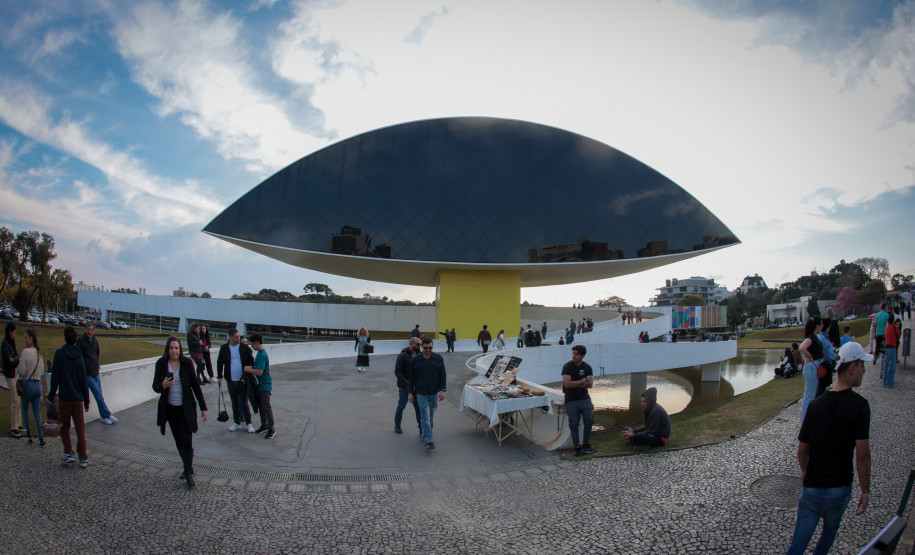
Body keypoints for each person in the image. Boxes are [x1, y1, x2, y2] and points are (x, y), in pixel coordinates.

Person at [785, 341, 871, 555]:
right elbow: (863, 455)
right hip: (839, 489)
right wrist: (866, 490)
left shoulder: (816, 404)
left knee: (798, 544)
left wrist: (804, 471)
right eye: (862, 366)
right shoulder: (860, 406)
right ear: (852, 367)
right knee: (830, 531)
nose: (864, 370)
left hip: (813, 488)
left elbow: (802, 449)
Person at [152, 336, 207, 489]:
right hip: (170, 409)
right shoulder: (161, 364)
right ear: (167, 350)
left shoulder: (186, 363)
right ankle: (187, 465)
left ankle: (188, 472)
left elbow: (195, 386)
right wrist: (163, 385)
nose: (174, 351)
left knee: (187, 440)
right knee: (178, 441)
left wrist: (204, 407)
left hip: (186, 409)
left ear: (180, 349)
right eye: (171, 348)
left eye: (176, 348)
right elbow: (155, 386)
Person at [48, 325, 91, 468]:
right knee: (80, 430)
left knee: (65, 427)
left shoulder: (60, 354)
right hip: (77, 399)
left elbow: (55, 378)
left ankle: (68, 453)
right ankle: (83, 457)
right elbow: (83, 381)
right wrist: (86, 400)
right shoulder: (79, 357)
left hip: (65, 398)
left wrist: (50, 396)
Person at [75, 323, 118, 425]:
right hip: (87, 374)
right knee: (98, 395)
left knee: (100, 395)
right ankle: (107, 414)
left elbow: (96, 353)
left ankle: (103, 417)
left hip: (95, 372)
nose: (90, 332)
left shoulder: (94, 340)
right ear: (85, 329)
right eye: (88, 329)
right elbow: (78, 357)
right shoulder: (81, 341)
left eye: (92, 330)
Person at [408, 337, 446, 450]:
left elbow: (443, 375)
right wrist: (410, 392)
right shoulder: (416, 360)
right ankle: (429, 441)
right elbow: (412, 377)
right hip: (421, 393)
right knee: (425, 416)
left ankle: (426, 433)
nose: (428, 350)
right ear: (421, 347)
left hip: (434, 394)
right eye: (426, 348)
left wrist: (443, 390)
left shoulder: (438, 359)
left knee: (430, 417)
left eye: (430, 348)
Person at [217, 329, 255, 433]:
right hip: (230, 380)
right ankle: (236, 422)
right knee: (234, 403)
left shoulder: (244, 347)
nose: (238, 338)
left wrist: (249, 368)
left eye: (239, 336)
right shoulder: (224, 348)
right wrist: (219, 376)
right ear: (230, 337)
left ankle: (249, 424)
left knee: (244, 403)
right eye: (236, 337)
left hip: (242, 380)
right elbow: (220, 362)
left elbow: (251, 359)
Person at [562, 345, 596, 457]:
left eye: (576, 354)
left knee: (589, 419)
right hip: (571, 399)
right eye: (573, 353)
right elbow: (567, 384)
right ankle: (577, 446)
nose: (574, 356)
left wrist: (575, 383)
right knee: (574, 422)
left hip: (584, 398)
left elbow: (590, 384)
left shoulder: (587, 367)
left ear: (582, 356)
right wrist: (582, 381)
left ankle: (586, 444)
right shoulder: (567, 367)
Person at [17, 328, 45, 446]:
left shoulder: (25, 352)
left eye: (26, 338)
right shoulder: (38, 353)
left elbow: (22, 371)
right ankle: (41, 437)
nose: (25, 340)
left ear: (31, 339)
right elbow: (42, 370)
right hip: (37, 385)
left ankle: (29, 433)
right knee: (36, 412)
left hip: (27, 384)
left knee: (24, 409)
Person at [245, 334, 275, 438]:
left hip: (264, 385)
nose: (252, 347)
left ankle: (271, 429)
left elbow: (260, 372)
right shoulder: (259, 353)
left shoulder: (262, 355)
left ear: (257, 343)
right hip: (260, 385)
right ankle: (264, 425)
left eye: (252, 344)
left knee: (266, 407)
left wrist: (249, 370)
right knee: (262, 407)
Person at [799, 317, 825, 422]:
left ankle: (811, 419)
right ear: (817, 326)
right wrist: (809, 356)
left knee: (814, 394)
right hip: (812, 367)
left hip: (816, 366)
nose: (822, 326)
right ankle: (804, 422)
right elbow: (802, 348)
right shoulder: (810, 338)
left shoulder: (815, 337)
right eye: (821, 324)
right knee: (809, 395)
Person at [394, 337, 422, 434]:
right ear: (411, 344)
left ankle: (421, 429)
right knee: (401, 407)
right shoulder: (402, 356)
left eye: (420, 345)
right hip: (404, 388)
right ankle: (397, 425)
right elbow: (397, 372)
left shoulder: (420, 355)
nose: (419, 346)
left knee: (418, 408)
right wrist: (407, 384)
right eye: (417, 344)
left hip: (416, 388)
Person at [2, 322, 23, 438]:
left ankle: (18, 423)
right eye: (14, 332)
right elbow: (10, 361)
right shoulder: (5, 344)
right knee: (15, 399)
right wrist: (15, 359)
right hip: (9, 374)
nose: (14, 335)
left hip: (14, 372)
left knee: (17, 398)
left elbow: (15, 356)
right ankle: (13, 427)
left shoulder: (11, 342)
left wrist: (14, 359)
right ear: (9, 332)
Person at [816, 321, 837, 397]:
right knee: (823, 388)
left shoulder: (824, 336)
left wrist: (835, 350)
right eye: (828, 327)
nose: (829, 329)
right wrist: (836, 356)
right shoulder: (822, 337)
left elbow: (830, 348)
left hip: (826, 364)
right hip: (825, 365)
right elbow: (827, 352)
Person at [883, 318, 901, 388]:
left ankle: (885, 381)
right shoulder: (894, 327)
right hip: (892, 347)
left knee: (886, 364)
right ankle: (890, 383)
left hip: (887, 347)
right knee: (892, 366)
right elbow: (899, 334)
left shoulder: (887, 327)